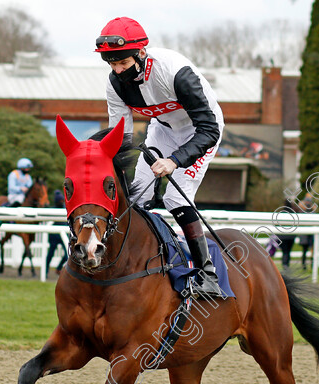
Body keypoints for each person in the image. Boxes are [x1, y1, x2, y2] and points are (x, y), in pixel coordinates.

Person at [95, 16, 224, 298]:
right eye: (112, 64)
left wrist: (175, 160)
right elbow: (121, 138)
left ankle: (207, 273)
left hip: (201, 130)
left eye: (123, 63)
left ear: (141, 53)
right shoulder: (115, 83)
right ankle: (139, 267)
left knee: (175, 198)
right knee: (137, 198)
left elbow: (209, 129)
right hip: (163, 130)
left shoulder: (175, 72)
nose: (117, 71)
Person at [45, 190, 69, 275]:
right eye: (60, 201)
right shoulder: (53, 209)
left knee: (67, 254)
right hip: (54, 235)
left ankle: (59, 268)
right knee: (50, 254)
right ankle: (45, 270)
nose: (61, 202)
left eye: (62, 201)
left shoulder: (64, 208)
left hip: (63, 234)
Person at [298, 192, 317, 269]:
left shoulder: (313, 211)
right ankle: (304, 265)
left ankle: (312, 265)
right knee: (304, 250)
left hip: (311, 233)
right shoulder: (302, 212)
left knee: (312, 250)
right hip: (305, 234)